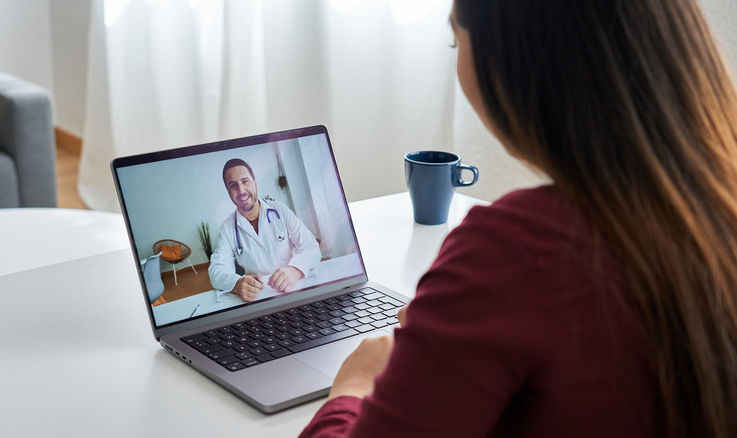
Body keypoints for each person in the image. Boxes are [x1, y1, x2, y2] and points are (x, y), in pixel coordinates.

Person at [301, 0, 737, 437]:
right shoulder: (716, 209)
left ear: (515, 57)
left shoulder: (515, 249)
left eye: (456, 38)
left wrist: (353, 387)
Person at [209, 158, 321, 301]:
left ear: (255, 183)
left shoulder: (279, 210)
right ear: (228, 191)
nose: (241, 190)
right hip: (261, 297)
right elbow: (216, 271)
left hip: (296, 287)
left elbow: (311, 246)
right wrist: (237, 284)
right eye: (233, 185)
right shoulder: (227, 228)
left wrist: (295, 270)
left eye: (245, 181)